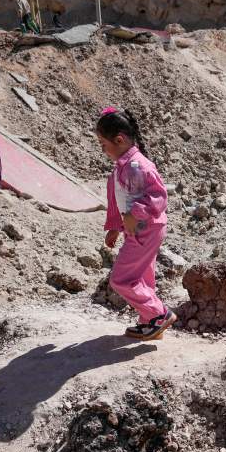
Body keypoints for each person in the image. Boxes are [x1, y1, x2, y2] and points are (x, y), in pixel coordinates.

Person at [97, 107, 176, 340]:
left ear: (119, 140)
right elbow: (117, 199)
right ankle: (150, 323)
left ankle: (158, 314)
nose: (102, 149)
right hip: (140, 230)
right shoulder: (122, 167)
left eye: (103, 144)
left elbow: (159, 196)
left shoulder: (138, 166)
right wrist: (114, 226)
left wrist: (135, 213)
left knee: (121, 279)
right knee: (142, 277)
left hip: (146, 230)